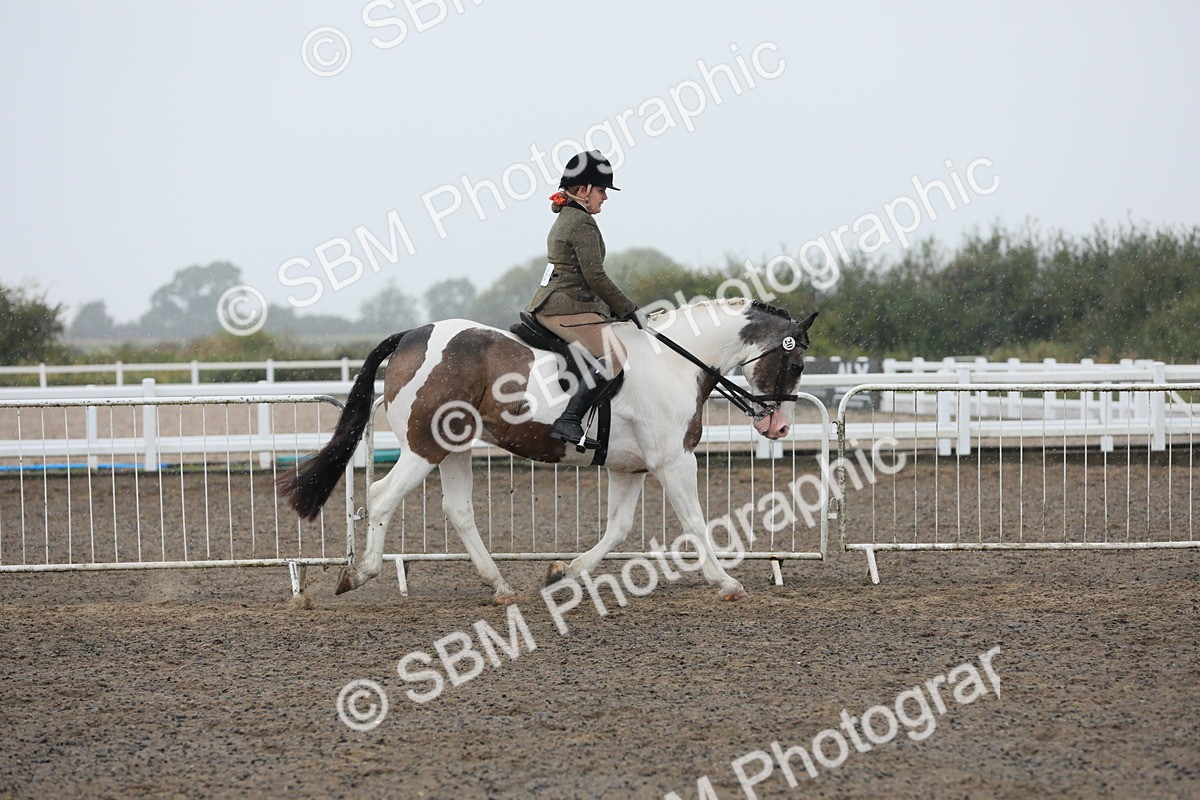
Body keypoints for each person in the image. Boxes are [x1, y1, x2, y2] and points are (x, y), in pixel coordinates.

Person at [526, 150, 640, 445]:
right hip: (563, 306)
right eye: (601, 190)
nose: (605, 198)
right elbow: (595, 277)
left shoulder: (569, 216)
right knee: (615, 355)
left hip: (562, 302)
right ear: (583, 190)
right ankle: (569, 419)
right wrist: (630, 309)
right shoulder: (581, 222)